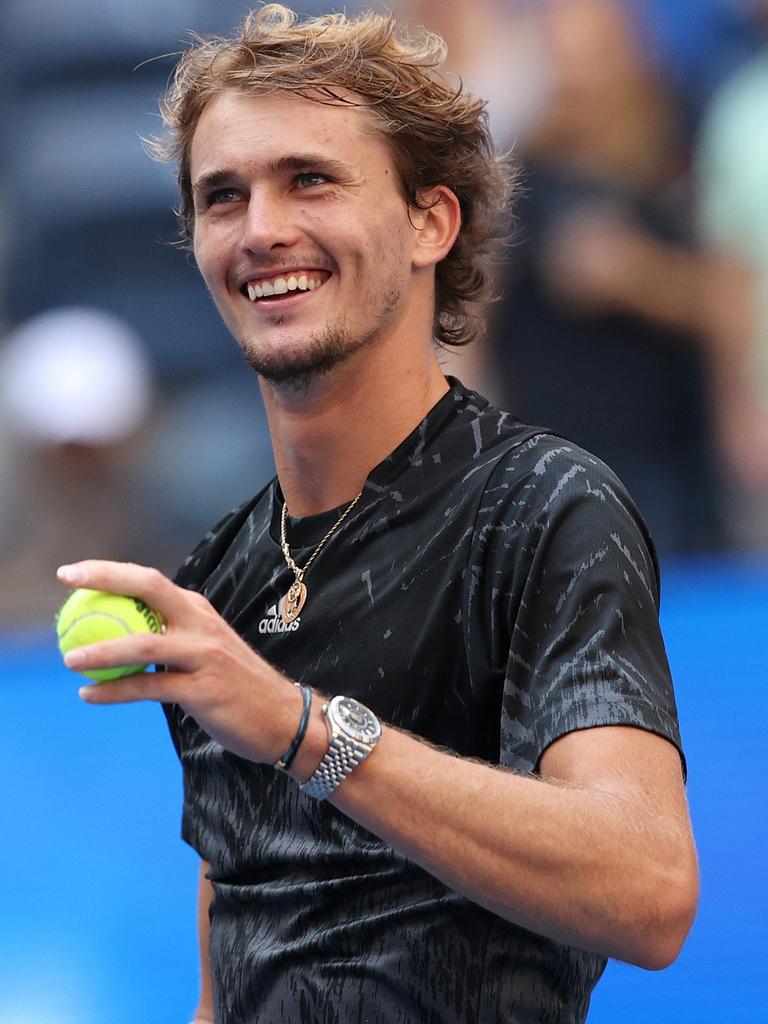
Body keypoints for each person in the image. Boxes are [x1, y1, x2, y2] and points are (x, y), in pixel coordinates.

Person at [56, 6, 699, 1023]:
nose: (261, 228)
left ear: (430, 224)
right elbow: (235, 972)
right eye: (223, 196)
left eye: (310, 178)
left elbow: (650, 890)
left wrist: (301, 728)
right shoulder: (217, 578)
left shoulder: (544, 507)